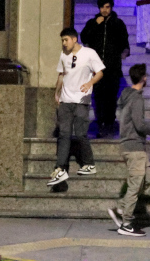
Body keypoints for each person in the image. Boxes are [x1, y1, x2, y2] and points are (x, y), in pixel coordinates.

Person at [108, 63, 150, 237]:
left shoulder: (127, 95)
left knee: (146, 178)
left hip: (131, 146)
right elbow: (139, 125)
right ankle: (126, 223)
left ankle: (122, 208)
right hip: (134, 147)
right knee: (135, 184)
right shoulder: (137, 98)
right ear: (144, 78)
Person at [48, 27, 105, 186]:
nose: (64, 43)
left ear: (74, 39)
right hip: (66, 101)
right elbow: (61, 74)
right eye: (62, 41)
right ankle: (60, 168)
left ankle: (89, 163)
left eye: (66, 40)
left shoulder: (89, 53)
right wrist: (57, 92)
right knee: (64, 134)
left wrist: (90, 82)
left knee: (80, 134)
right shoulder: (63, 55)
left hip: (81, 100)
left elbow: (100, 72)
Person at [80, 0, 131, 138]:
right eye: (102, 7)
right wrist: (96, 24)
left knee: (111, 96)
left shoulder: (118, 23)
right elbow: (84, 37)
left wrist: (123, 53)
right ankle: (100, 121)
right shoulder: (93, 23)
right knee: (99, 95)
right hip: (96, 69)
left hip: (112, 67)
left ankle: (109, 122)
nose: (104, 10)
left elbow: (124, 42)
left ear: (111, 7)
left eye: (107, 7)